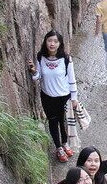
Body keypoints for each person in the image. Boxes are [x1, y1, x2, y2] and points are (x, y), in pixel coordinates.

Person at [28, 30, 78, 162]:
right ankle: (58, 148)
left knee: (63, 121)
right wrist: (34, 72)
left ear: (60, 43)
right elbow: (38, 76)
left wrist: (74, 98)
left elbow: (71, 79)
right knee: (53, 121)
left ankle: (65, 143)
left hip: (64, 96)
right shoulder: (41, 57)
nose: (52, 44)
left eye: (55, 41)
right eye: (50, 40)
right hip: (47, 96)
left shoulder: (66, 59)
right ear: (45, 42)